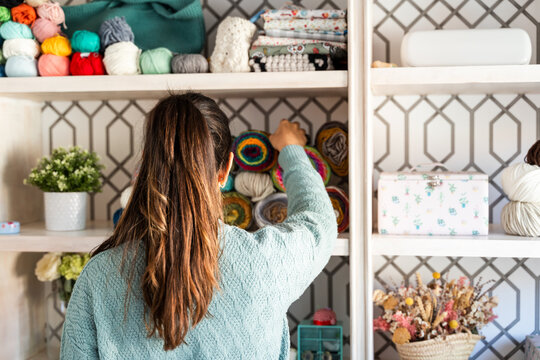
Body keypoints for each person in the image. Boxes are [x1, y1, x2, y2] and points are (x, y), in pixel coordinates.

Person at [60, 93, 337, 359]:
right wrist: (291, 150)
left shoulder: (97, 277)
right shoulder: (266, 262)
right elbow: (319, 223)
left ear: (145, 164)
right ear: (225, 170)